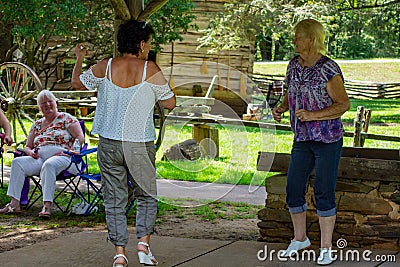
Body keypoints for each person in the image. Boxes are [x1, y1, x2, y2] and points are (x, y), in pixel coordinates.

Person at [71, 20, 175, 267]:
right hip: (138, 143)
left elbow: (77, 83)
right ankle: (143, 245)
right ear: (140, 44)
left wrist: (79, 58)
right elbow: (170, 103)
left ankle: (119, 253)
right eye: (148, 43)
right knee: (147, 196)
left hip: (109, 143)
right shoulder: (149, 68)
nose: (149, 48)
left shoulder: (105, 66)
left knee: (114, 198)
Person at [272, 19, 350, 265]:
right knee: (293, 189)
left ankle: (326, 248)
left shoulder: (329, 69)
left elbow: (343, 105)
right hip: (302, 139)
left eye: (298, 36)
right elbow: (290, 91)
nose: (294, 40)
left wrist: (313, 115)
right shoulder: (293, 65)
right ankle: (300, 239)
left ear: (311, 40)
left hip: (327, 140)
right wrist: (282, 107)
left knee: (324, 192)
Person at [0, 90, 84, 218]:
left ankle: (47, 206)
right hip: (39, 158)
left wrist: (70, 152)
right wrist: (30, 152)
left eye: (50, 101)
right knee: (17, 162)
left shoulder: (66, 118)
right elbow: (27, 146)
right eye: (43, 103)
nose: (47, 105)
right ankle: (14, 203)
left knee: (49, 164)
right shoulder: (37, 124)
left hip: (64, 158)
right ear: (39, 107)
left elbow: (80, 137)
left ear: (55, 103)